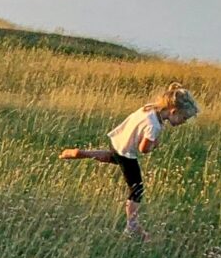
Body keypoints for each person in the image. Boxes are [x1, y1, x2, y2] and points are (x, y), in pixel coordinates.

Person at [60, 84, 199, 237]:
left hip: (118, 140)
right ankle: (131, 226)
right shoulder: (154, 126)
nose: (183, 122)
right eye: (184, 118)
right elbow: (143, 149)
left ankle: (80, 153)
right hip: (126, 152)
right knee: (137, 189)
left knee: (111, 157)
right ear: (173, 111)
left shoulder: (150, 108)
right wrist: (154, 145)